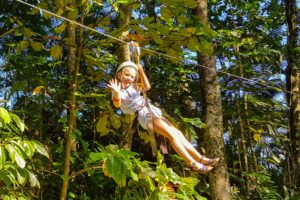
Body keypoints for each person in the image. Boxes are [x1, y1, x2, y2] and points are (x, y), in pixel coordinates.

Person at [107, 61, 219, 172]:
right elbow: (117, 104)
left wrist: (140, 70)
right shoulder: (118, 89)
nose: (129, 78)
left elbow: (147, 86)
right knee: (172, 135)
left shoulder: (132, 87)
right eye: (127, 75)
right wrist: (116, 92)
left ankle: (200, 158)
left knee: (178, 133)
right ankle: (192, 163)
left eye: (132, 76)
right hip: (144, 114)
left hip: (151, 110)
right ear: (119, 75)